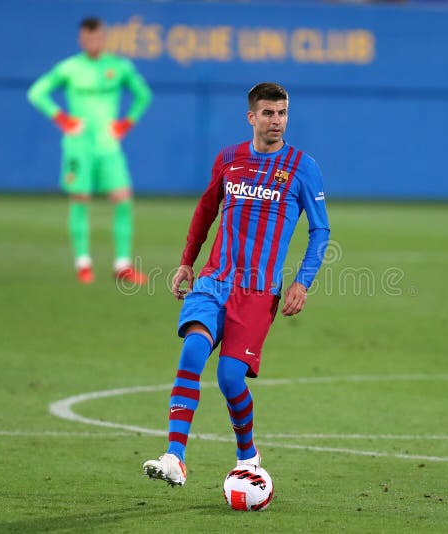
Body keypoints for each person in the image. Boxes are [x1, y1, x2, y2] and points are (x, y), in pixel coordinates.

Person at [142, 82, 331, 486]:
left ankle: (248, 455)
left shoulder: (302, 167)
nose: (275, 120)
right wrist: (186, 263)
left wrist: (302, 282)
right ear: (251, 117)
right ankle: (175, 456)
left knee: (230, 377)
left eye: (281, 113)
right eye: (267, 113)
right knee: (193, 350)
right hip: (214, 280)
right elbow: (205, 210)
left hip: (259, 292)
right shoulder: (229, 159)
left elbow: (321, 230)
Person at [27, 17, 152, 284]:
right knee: (80, 199)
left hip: (108, 145)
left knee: (123, 197)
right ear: (80, 40)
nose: (92, 42)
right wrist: (62, 119)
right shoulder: (70, 68)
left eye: (96, 37)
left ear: (103, 38)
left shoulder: (119, 67)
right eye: (87, 38)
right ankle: (83, 263)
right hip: (78, 146)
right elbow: (37, 92)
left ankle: (122, 265)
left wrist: (126, 123)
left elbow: (143, 95)